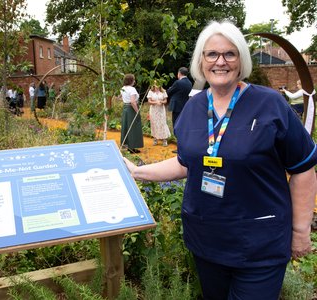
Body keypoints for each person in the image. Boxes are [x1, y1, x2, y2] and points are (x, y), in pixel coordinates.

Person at [123, 20, 317, 300]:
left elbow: (303, 167)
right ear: (201, 61)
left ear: (241, 60)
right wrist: (137, 172)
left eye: (230, 53)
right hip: (207, 242)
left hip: (259, 246)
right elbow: (186, 163)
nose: (220, 61)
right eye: (212, 54)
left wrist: (300, 230)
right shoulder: (193, 107)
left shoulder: (270, 105)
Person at [120, 74, 144, 154]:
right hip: (131, 109)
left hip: (125, 109)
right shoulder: (132, 89)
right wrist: (137, 111)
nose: (134, 81)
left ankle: (127, 145)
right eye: (133, 79)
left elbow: (119, 97)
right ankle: (132, 148)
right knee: (133, 127)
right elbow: (133, 102)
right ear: (131, 80)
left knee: (127, 126)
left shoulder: (123, 88)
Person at [147, 82, 171, 146]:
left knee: (162, 123)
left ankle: (164, 140)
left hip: (161, 110)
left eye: (158, 84)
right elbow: (149, 101)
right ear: (153, 84)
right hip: (153, 110)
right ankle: (155, 139)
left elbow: (166, 101)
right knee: (154, 123)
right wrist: (155, 102)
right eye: (155, 84)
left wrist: (161, 102)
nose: (156, 85)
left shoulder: (163, 91)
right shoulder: (150, 92)